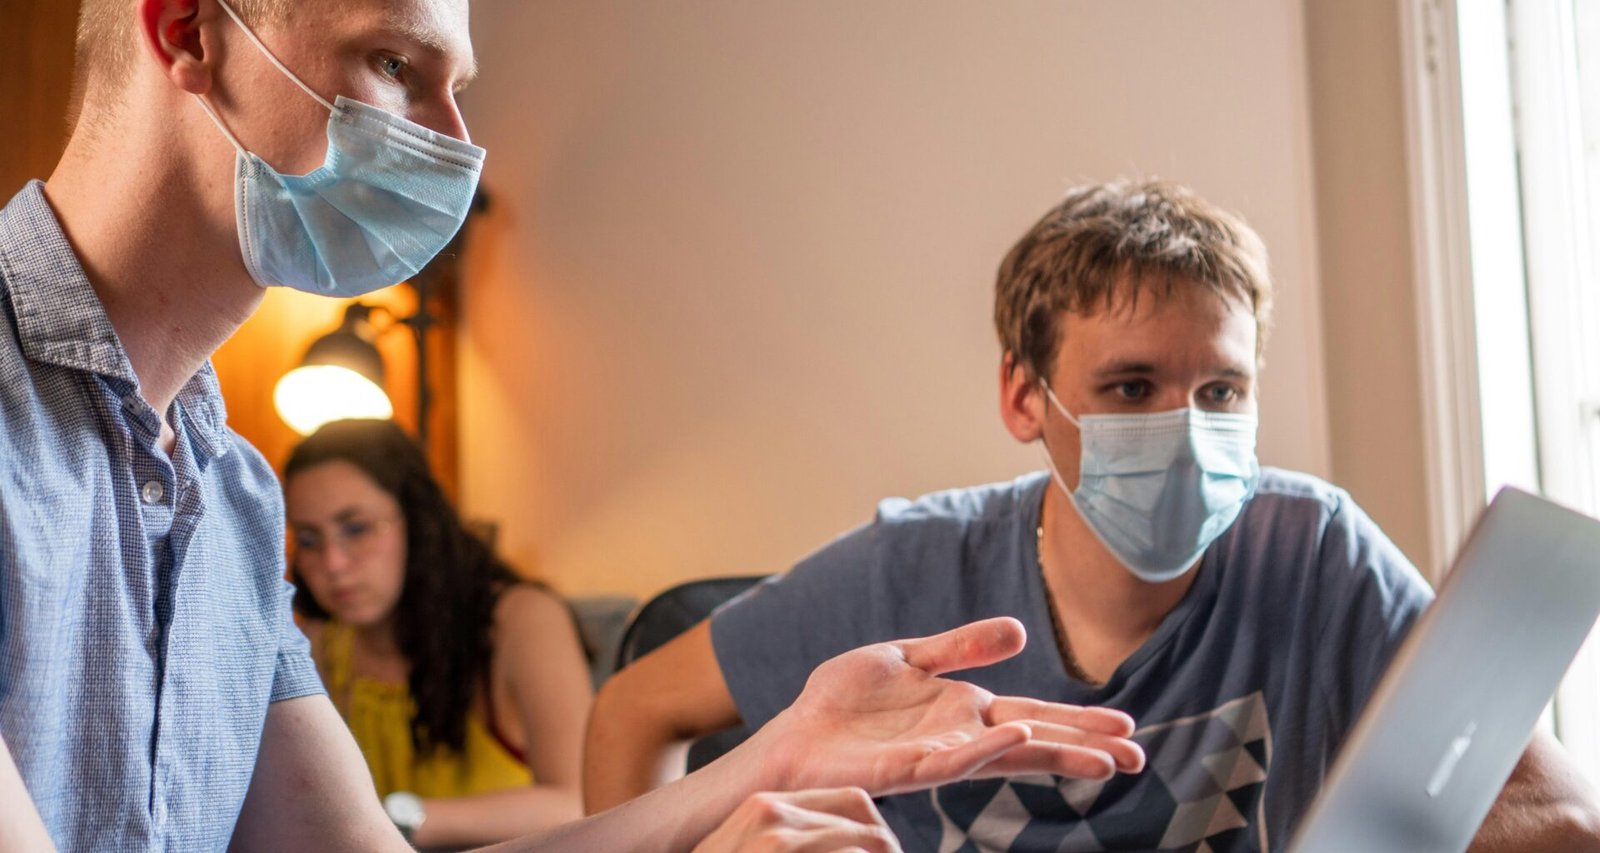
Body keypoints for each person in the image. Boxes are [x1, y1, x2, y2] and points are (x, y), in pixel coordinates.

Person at [0, 0, 1146, 849]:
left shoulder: (235, 497)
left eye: (460, 88)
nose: (452, 143)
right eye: (395, 63)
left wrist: (768, 760)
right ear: (190, 32)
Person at [584, 180, 1600, 851]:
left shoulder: (1314, 549)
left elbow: (1556, 809)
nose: (1188, 430)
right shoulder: (910, 568)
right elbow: (632, 708)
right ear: (1025, 398)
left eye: (1220, 391)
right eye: (1129, 387)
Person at [283, 418, 592, 847]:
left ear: (416, 520)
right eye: (310, 540)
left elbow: (580, 802)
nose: (333, 563)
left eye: (356, 528)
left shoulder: (522, 620)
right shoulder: (318, 637)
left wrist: (397, 817)